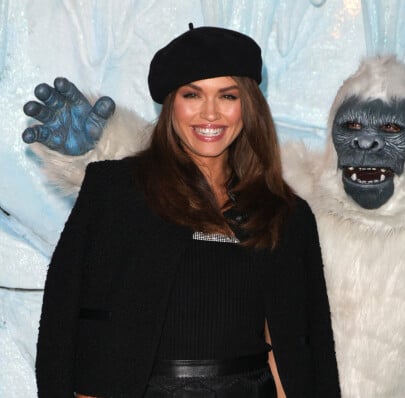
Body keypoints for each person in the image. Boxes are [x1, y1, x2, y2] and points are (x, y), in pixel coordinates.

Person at [33, 24, 341, 398]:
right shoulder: (115, 191)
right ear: (170, 104)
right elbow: (61, 320)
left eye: (227, 96)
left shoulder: (285, 214)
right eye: (192, 94)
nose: (210, 114)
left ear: (248, 105)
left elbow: (299, 347)